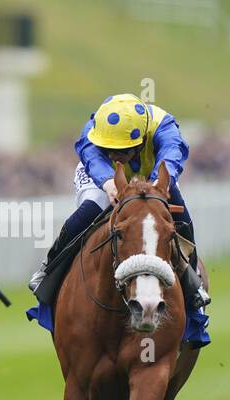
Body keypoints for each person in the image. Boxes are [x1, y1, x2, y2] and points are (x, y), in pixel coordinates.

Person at [28, 92, 209, 311]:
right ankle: (50, 270)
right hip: (103, 176)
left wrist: (155, 186)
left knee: (180, 216)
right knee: (90, 209)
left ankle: (192, 280)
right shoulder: (96, 127)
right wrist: (106, 182)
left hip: (152, 175)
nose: (114, 155)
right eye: (109, 149)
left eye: (121, 150)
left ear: (141, 141)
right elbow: (92, 157)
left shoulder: (164, 126)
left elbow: (171, 157)